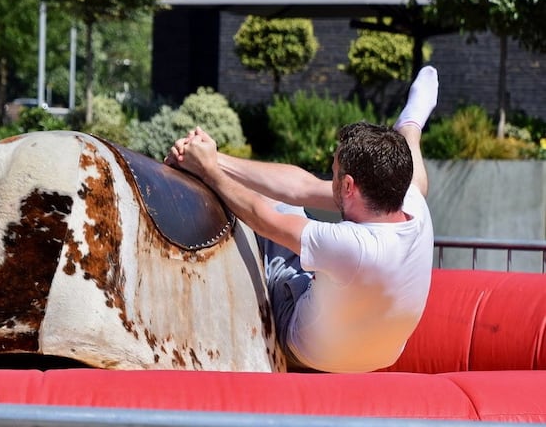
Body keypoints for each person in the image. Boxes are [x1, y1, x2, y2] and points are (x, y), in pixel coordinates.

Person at [165, 66, 439, 373]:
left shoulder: (353, 247)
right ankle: (411, 121)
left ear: (348, 185)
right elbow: (304, 187)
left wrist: (209, 173)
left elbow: (262, 216)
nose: (330, 177)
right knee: (410, 160)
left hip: (308, 351)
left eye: (334, 172)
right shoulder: (411, 199)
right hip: (382, 355)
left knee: (275, 211)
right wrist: (215, 160)